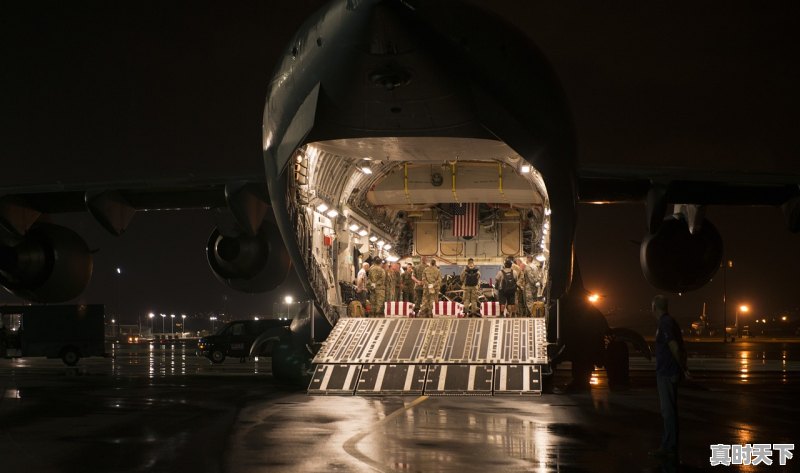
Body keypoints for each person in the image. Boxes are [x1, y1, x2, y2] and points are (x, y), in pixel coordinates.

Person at [649, 294, 689, 459]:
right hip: (669, 370)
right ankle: (669, 444)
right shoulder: (670, 322)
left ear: (654, 308)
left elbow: (674, 346)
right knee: (669, 411)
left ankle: (669, 446)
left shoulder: (665, 323)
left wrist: (681, 367)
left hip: (666, 372)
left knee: (668, 412)